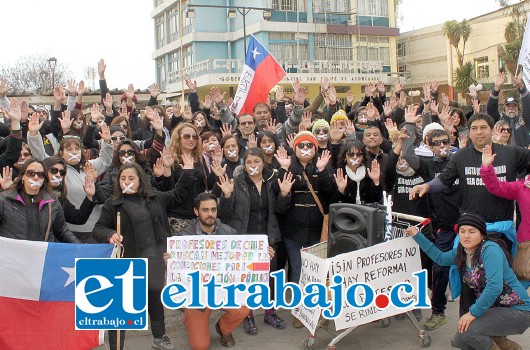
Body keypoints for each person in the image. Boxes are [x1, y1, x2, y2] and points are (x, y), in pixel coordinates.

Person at [93, 157, 194, 350]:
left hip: (155, 259)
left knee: (155, 299)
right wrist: (110, 234)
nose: (127, 181)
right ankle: (116, 345)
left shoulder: (155, 197)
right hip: (128, 262)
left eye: (131, 177)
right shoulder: (112, 203)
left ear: (140, 179)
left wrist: (188, 172)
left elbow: (178, 196)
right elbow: (98, 228)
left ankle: (159, 337)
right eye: (123, 178)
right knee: (122, 304)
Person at [406, 213, 530, 350]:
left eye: (472, 232)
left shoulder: (490, 250)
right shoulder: (462, 251)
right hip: (497, 309)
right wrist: (417, 235)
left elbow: (494, 287)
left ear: (482, 234)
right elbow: (440, 258)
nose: (466, 236)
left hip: (518, 310)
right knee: (461, 340)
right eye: (462, 231)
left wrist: (472, 314)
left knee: (469, 332)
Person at [217, 148, 291, 334]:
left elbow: (281, 210)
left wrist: (284, 194)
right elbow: (225, 214)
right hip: (244, 239)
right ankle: (247, 316)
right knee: (246, 279)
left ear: (263, 163)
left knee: (269, 278)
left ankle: (270, 312)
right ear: (244, 164)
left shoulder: (272, 180)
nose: (253, 166)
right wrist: (226, 196)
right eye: (249, 162)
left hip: (268, 238)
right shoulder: (237, 182)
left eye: (256, 162)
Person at [177, 192, 253, 349]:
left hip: (223, 288)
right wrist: (170, 261)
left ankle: (223, 328)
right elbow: (178, 273)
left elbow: (243, 258)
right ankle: (190, 319)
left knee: (243, 309)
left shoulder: (229, 232)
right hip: (197, 294)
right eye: (205, 210)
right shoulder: (184, 236)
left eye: (213, 209)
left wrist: (261, 253)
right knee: (200, 346)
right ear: (196, 212)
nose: (210, 214)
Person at [0, 159, 80, 243]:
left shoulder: (52, 201)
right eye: (31, 173)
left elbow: (61, 230)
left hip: (40, 254)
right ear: (23, 176)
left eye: (40, 174)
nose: (36, 177)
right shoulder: (4, 199)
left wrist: (80, 247)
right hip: (12, 254)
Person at [487, 72, 530, 148]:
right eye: (508, 106)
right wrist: (496, 88)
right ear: (504, 109)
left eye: (514, 106)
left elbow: (528, 105)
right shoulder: (499, 120)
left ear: (518, 109)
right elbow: (491, 109)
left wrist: (521, 87)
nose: (511, 108)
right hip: (504, 156)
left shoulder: (524, 120)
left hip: (522, 156)